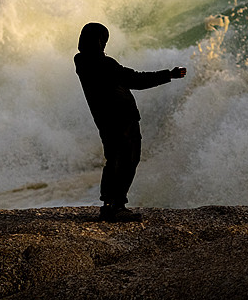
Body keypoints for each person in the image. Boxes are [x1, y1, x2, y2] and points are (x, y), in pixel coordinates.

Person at [74, 22, 186, 222]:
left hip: (105, 119)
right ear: (99, 41)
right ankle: (117, 207)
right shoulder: (104, 64)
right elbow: (136, 80)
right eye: (103, 40)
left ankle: (109, 205)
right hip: (122, 119)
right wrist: (169, 74)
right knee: (127, 160)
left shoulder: (82, 61)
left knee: (114, 160)